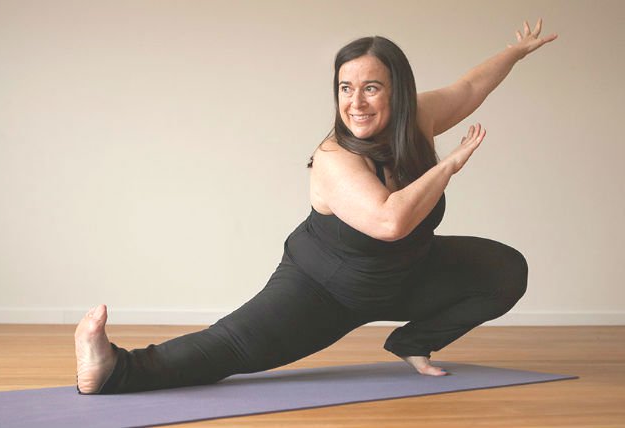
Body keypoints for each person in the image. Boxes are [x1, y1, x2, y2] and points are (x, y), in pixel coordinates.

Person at [74, 19, 557, 394]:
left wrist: (514, 52)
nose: (356, 103)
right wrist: (446, 167)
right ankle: (114, 367)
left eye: (372, 87)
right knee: (231, 348)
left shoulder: (420, 118)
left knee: (505, 270)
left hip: (406, 275)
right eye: (346, 88)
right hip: (326, 289)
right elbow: (389, 221)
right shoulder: (334, 157)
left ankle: (411, 342)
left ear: (400, 92)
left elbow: (471, 88)